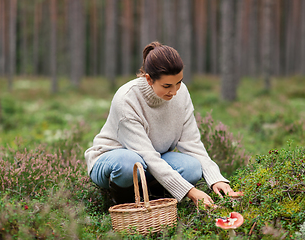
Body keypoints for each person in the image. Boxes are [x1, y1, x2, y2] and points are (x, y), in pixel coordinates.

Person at [85, 41, 240, 207]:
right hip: (115, 161)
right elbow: (147, 156)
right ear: (149, 79)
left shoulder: (181, 93)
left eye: (179, 82)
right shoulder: (127, 99)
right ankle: (123, 203)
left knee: (193, 167)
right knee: (129, 163)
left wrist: (216, 179)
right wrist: (190, 191)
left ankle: (154, 198)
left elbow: (192, 144)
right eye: (167, 86)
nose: (174, 92)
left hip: (151, 162)